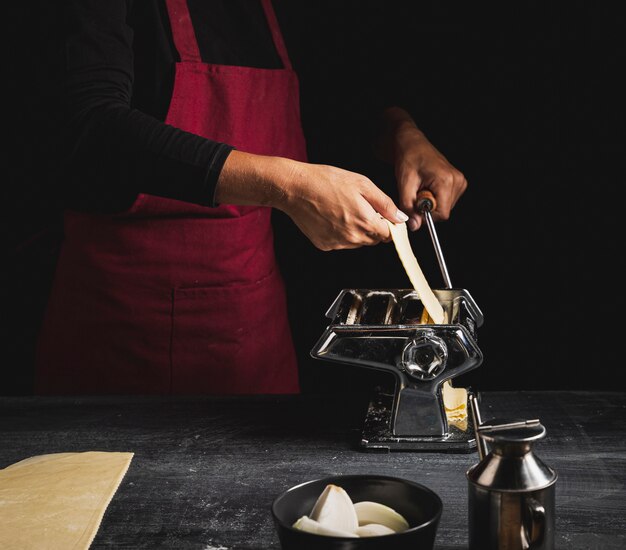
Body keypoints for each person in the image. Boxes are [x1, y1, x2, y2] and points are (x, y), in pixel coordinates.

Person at [34, 0, 467, 395]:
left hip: (254, 334)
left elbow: (333, 99)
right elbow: (91, 129)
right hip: (123, 336)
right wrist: (285, 185)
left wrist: (398, 132)